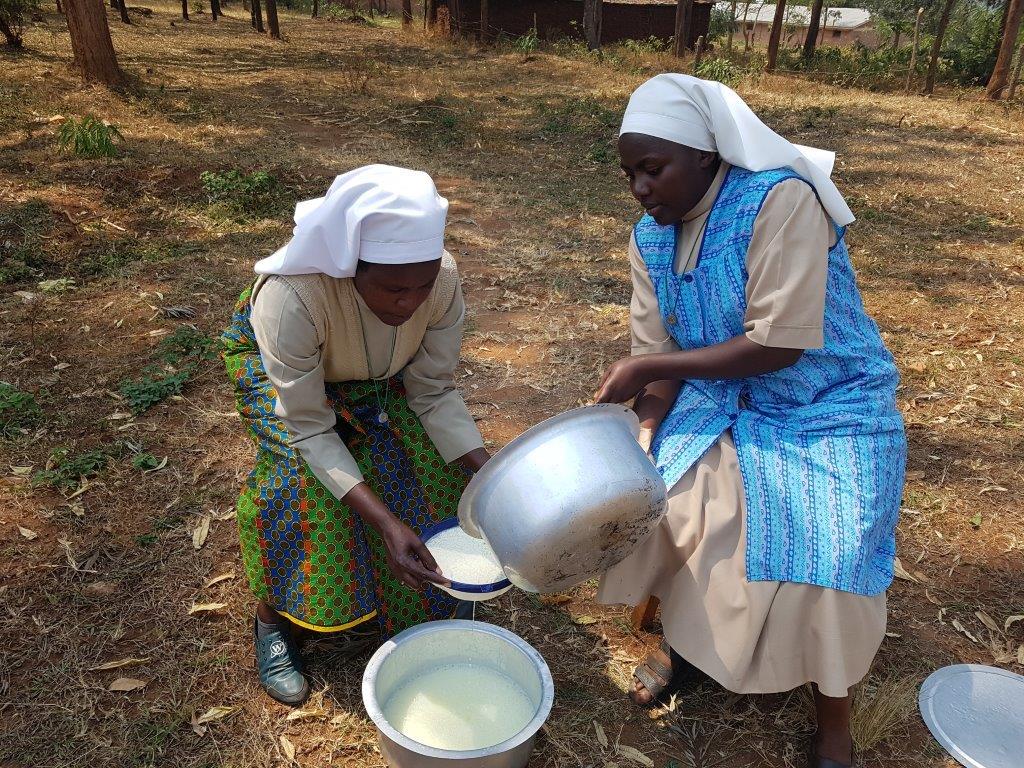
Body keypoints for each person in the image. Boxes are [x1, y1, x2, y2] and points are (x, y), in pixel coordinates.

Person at [593, 75, 906, 768]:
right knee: (669, 497)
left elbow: (780, 343)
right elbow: (658, 354)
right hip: (724, 397)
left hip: (827, 402)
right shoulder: (649, 238)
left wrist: (646, 372)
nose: (641, 188)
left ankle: (834, 724)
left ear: (706, 155)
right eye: (630, 174)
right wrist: (646, 436)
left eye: (653, 169)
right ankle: (691, 647)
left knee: (828, 552)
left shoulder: (779, 200)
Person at [222, 165, 490, 706]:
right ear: (349, 268)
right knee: (303, 492)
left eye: (423, 284)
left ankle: (415, 598)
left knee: (427, 473)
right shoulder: (293, 298)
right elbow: (309, 425)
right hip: (288, 385)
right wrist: (387, 522)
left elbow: (432, 389)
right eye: (393, 288)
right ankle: (274, 621)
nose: (410, 302)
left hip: (377, 377)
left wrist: (493, 476)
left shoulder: (443, 283)